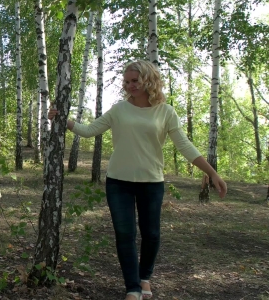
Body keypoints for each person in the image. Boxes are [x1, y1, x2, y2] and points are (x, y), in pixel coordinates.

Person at [48, 60, 227, 300]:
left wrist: (212, 172)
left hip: (151, 182)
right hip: (118, 182)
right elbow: (89, 130)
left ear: (149, 80)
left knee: (151, 233)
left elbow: (184, 145)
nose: (130, 85)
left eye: (135, 80)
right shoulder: (119, 109)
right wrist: (61, 119)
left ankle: (144, 279)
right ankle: (132, 288)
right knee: (125, 234)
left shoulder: (166, 112)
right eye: (127, 81)